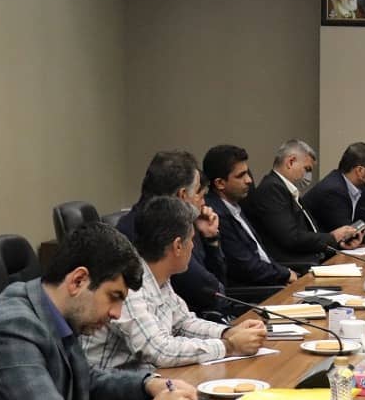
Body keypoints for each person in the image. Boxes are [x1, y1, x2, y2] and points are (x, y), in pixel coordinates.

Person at [0, 223, 196, 400]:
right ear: (78, 280)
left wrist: (148, 384)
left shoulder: (55, 310)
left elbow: (86, 379)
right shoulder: (12, 326)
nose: (116, 313)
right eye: (114, 297)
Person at [82, 197, 267, 372]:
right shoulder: (128, 284)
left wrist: (229, 332)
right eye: (191, 239)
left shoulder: (159, 276)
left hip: (149, 378)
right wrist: (230, 346)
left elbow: (184, 323)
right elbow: (159, 350)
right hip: (110, 388)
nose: (193, 246)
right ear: (178, 246)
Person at [117, 150, 229, 316]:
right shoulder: (155, 231)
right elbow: (211, 293)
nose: (203, 202)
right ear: (182, 195)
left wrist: (210, 239)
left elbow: (215, 289)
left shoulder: (183, 223)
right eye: (197, 192)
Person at [243, 139, 362, 269]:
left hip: (311, 260)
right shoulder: (271, 189)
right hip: (294, 267)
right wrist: (333, 237)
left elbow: (310, 233)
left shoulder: (288, 189)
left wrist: (339, 244)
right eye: (307, 169)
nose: (308, 175)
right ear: (291, 162)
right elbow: (291, 238)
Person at [203, 144, 297, 288]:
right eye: (241, 176)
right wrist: (285, 274)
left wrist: (285, 272)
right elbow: (246, 266)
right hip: (254, 292)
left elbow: (261, 256)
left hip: (272, 281)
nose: (249, 180)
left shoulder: (236, 206)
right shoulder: (216, 215)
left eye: (247, 173)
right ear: (220, 183)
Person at [304, 142, 365, 244]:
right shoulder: (333, 191)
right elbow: (349, 235)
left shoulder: (359, 188)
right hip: (314, 251)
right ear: (360, 171)